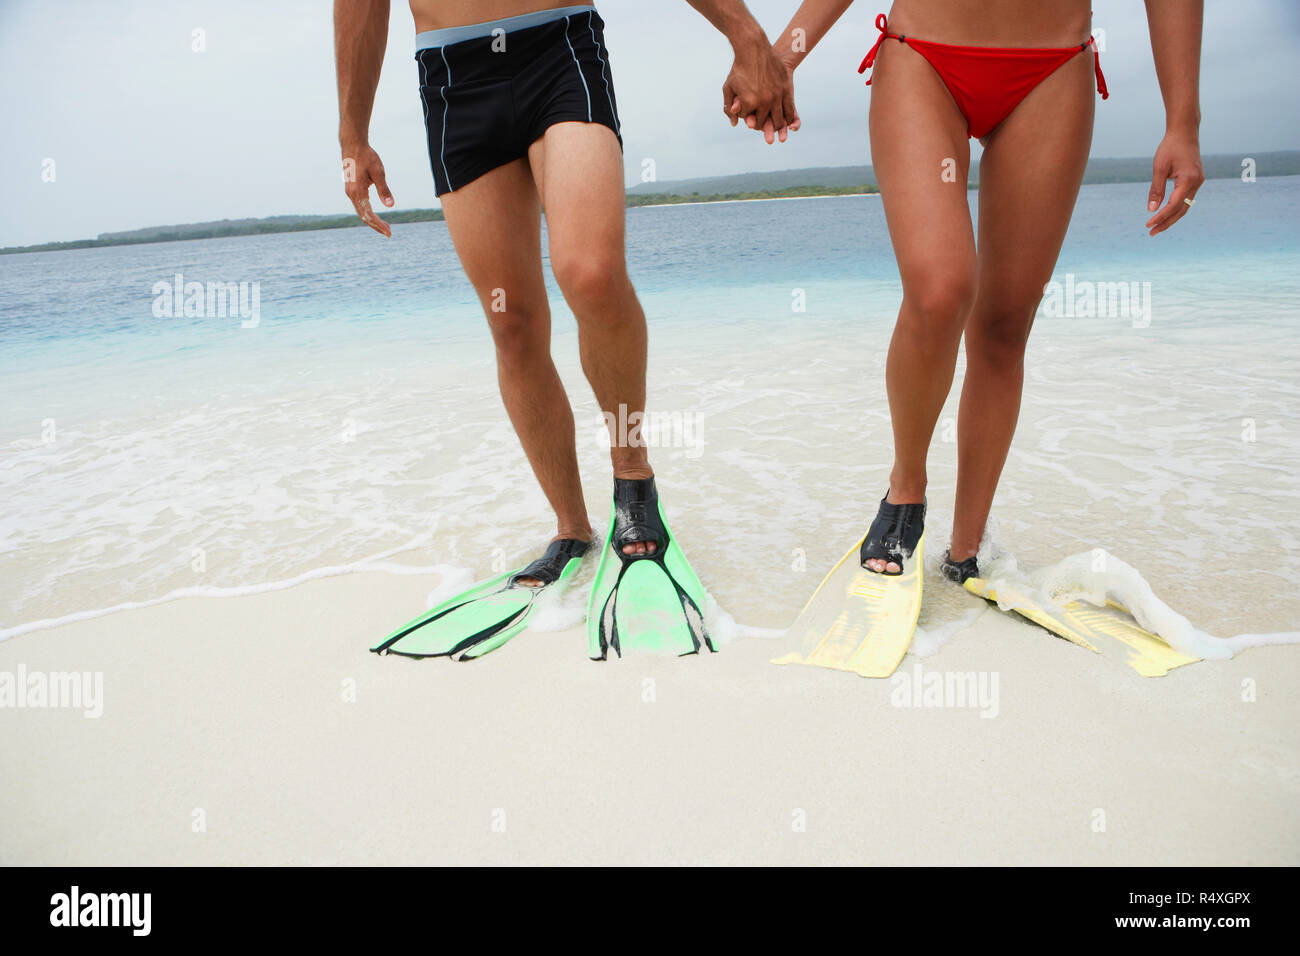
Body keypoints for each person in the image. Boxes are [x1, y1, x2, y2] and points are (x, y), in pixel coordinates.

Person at [335, 1, 796, 659]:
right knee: (512, 324)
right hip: (453, 75)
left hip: (558, 47)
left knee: (591, 273)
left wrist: (744, 32)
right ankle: (572, 528)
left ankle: (634, 489)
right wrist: (353, 133)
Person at [756, 0, 1205, 583]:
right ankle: (905, 491)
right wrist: (784, 56)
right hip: (925, 55)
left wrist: (1183, 122)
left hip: (1052, 69)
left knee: (1003, 326)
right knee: (940, 290)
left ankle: (964, 551)